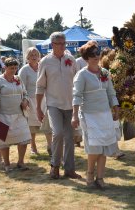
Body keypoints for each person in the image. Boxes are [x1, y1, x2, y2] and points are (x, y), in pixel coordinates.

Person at [72, 41, 119, 189]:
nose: (96, 57)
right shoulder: (82, 75)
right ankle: (90, 174)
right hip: (89, 114)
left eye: (97, 54)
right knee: (94, 148)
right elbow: (76, 96)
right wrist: (74, 115)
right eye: (92, 55)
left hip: (105, 114)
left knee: (104, 147)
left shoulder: (105, 72)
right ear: (86, 57)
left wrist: (115, 108)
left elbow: (111, 92)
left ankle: (100, 177)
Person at [36, 32, 81, 179]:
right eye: (59, 43)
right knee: (58, 133)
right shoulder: (45, 61)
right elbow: (40, 86)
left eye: (64, 43)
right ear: (52, 45)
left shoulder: (71, 59)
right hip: (53, 104)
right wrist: (38, 107)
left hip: (70, 103)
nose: (62, 46)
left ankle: (69, 169)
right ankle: (54, 167)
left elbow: (78, 82)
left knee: (70, 137)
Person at [0, 57, 31, 172]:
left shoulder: (18, 79)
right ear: (5, 68)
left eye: (16, 68)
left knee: (24, 138)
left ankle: (20, 162)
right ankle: (6, 164)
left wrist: (25, 101)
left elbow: (25, 93)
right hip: (2, 115)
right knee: (3, 141)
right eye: (11, 68)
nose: (14, 70)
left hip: (19, 115)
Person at [18, 47, 52, 155]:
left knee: (47, 122)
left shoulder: (43, 67)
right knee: (32, 125)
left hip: (44, 99)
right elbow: (21, 86)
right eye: (31, 55)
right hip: (31, 100)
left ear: (39, 56)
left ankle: (50, 146)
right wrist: (25, 99)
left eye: (35, 55)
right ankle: (33, 146)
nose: (34, 57)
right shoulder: (24, 70)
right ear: (27, 57)